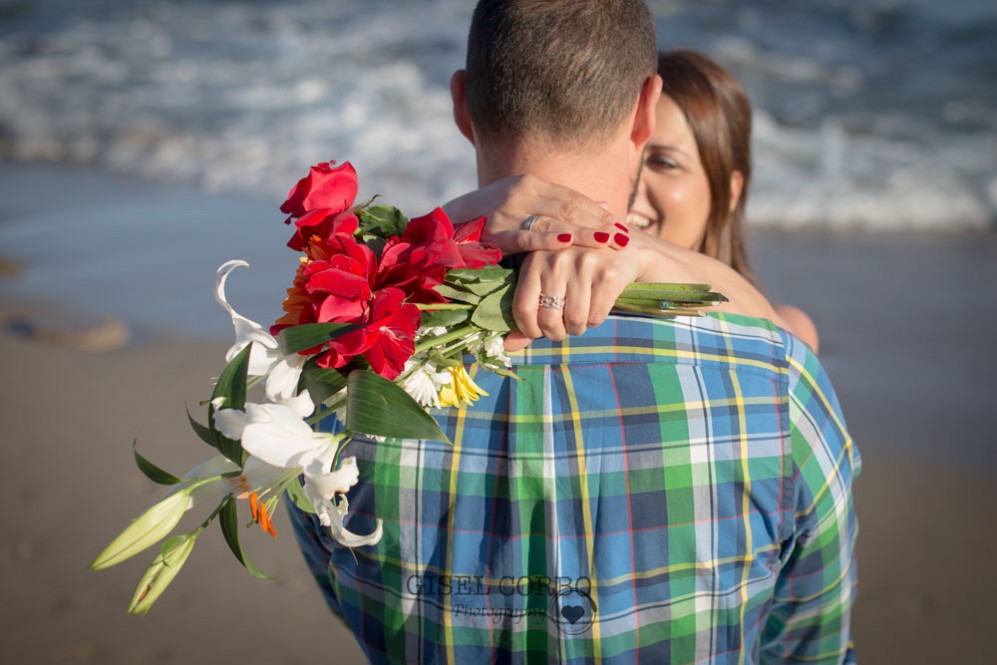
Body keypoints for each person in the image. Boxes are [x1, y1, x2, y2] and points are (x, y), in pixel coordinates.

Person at [291, 1, 859, 663]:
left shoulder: (328, 388)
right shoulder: (774, 389)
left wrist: (436, 233)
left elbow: (346, 592)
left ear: (461, 105)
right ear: (646, 111)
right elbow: (809, 650)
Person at [445, 50, 820, 352]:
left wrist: (637, 250)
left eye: (664, 162)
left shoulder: (781, 325)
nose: (632, 183)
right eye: (624, 156)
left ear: (730, 190)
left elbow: (785, 342)